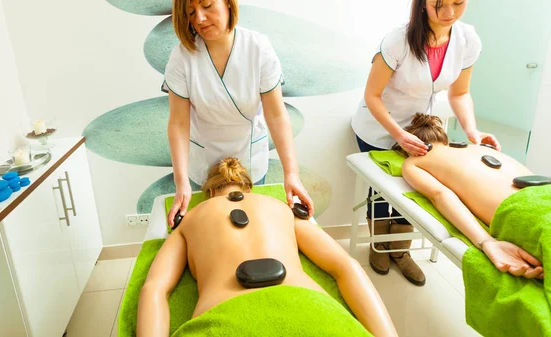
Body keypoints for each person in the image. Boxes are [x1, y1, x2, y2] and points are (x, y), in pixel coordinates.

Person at [137, 157, 398, 337]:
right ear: (248, 187)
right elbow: (345, 266)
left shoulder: (192, 217)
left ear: (209, 192)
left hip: (223, 316)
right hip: (311, 309)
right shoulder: (281, 208)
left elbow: (155, 289)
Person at [351, 0, 501, 285]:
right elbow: (372, 95)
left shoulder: (467, 39)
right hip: (380, 126)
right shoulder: (398, 40)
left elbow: (459, 94)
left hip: (420, 130)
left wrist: (473, 131)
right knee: (382, 193)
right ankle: (380, 245)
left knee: (415, 192)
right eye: (438, 5)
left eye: (458, 3)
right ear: (421, 4)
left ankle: (401, 252)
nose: (449, 14)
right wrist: (397, 134)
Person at [164, 0, 313, 227]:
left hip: (248, 157)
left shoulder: (258, 47)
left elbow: (276, 115)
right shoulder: (182, 56)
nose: (200, 19)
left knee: (250, 227)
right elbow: (178, 123)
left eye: (207, 6)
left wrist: (291, 173)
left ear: (227, 3)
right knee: (211, 229)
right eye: (191, 13)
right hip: (204, 160)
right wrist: (180, 181)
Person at [398, 113, 544, 279]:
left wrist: (486, 241)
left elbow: (440, 195)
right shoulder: (478, 147)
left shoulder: (413, 163)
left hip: (522, 214)